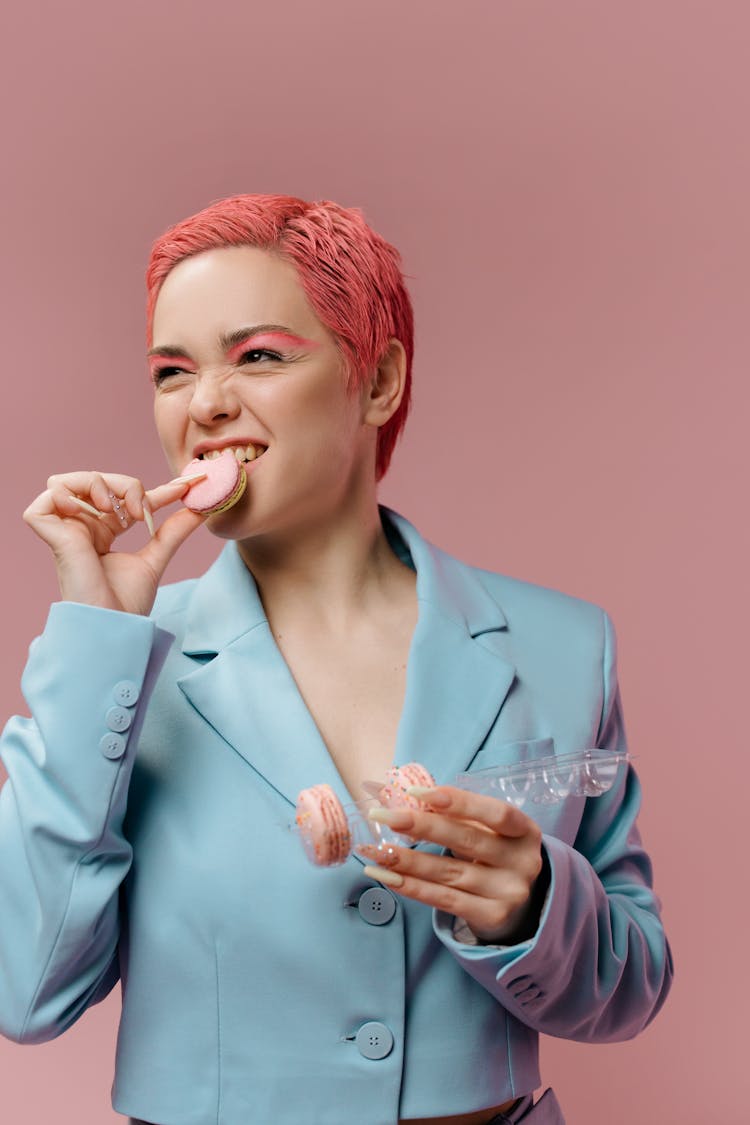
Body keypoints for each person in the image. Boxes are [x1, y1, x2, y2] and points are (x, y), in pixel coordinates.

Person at [0, 194, 673, 1125]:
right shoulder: (119, 672)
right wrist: (96, 640)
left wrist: (535, 904)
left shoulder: (564, 644)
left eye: (259, 356)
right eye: (170, 371)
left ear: (380, 380)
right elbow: (24, 994)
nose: (206, 405)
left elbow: (632, 984)